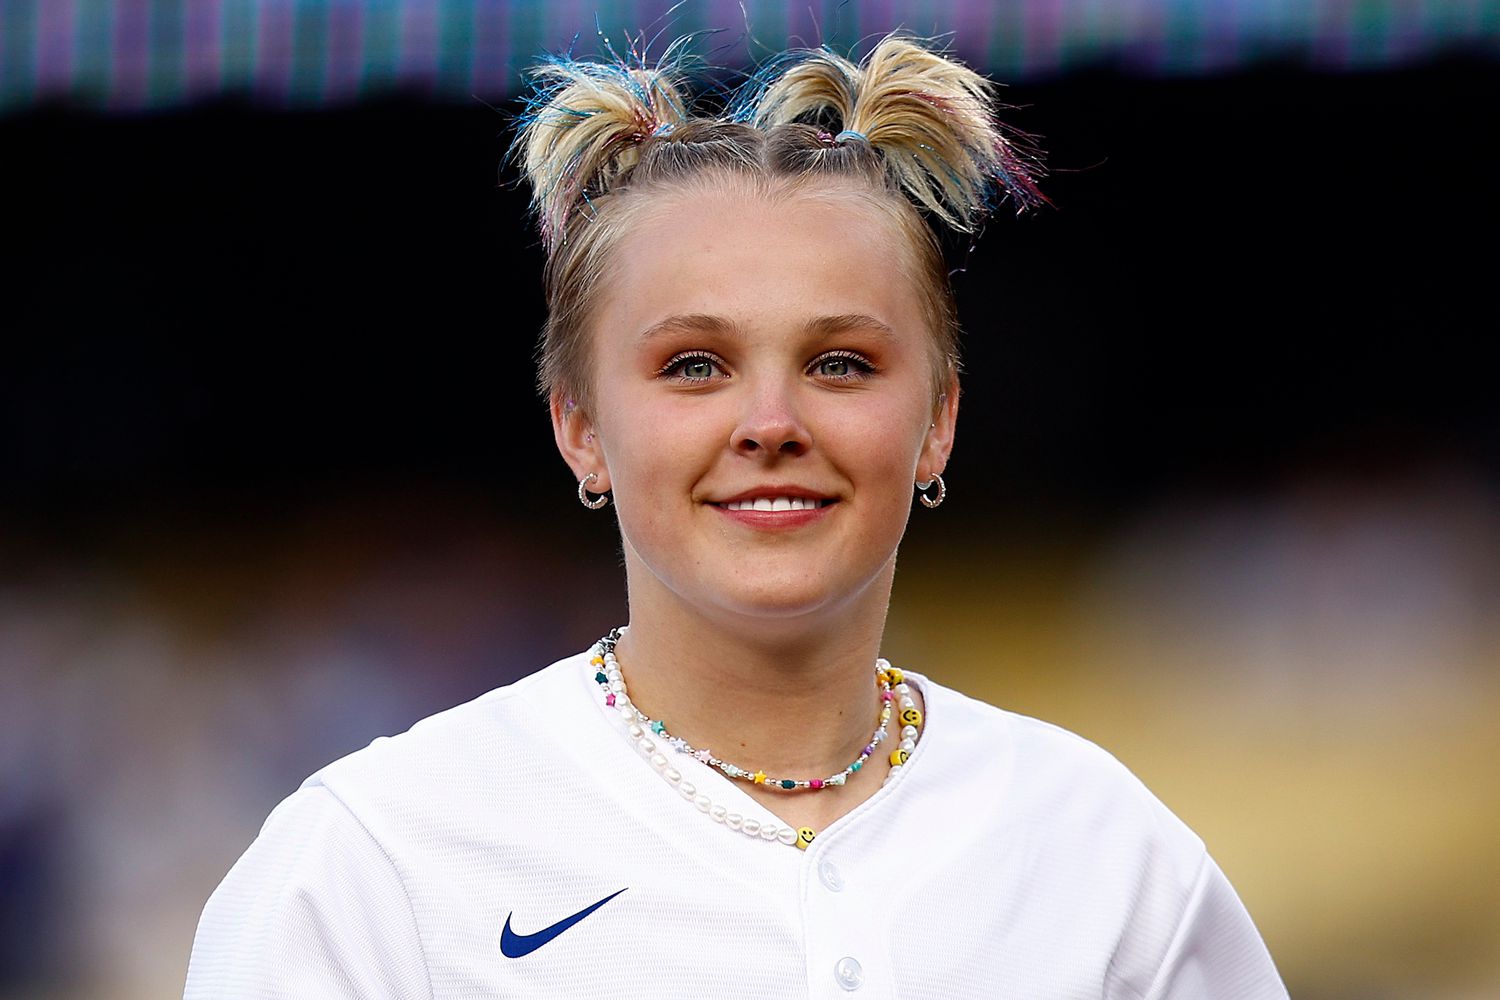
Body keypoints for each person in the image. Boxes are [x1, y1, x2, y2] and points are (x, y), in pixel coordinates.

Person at [183, 32, 1288, 999]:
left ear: (938, 422)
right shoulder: (378, 859)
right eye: (695, 363)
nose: (770, 420)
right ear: (579, 425)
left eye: (842, 362)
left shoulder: (1103, 847)